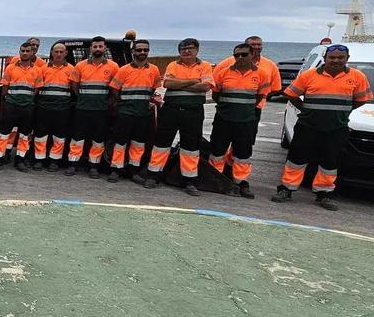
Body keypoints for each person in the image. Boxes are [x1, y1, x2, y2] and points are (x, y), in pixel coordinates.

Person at [272, 44, 372, 210]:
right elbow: (291, 94)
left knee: (330, 162)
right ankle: (286, 189)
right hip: (307, 126)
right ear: (325, 58)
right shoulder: (309, 75)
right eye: (332, 58)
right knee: (296, 159)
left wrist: (341, 112)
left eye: (340, 58)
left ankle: (324, 194)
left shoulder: (358, 76)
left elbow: (362, 99)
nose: (336, 61)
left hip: (336, 128)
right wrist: (306, 109)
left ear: (347, 59)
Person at [145, 38, 212, 195]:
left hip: (193, 111)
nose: (187, 51)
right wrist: (193, 81)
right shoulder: (173, 65)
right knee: (161, 143)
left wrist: (180, 82)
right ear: (179, 51)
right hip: (171, 110)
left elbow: (206, 86)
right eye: (183, 49)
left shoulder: (205, 66)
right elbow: (168, 84)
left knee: (191, 147)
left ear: (197, 50)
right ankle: (154, 175)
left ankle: (189, 180)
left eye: (190, 48)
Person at [208, 43, 268, 199]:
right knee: (217, 150)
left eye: (244, 54)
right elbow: (216, 95)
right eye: (237, 55)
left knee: (243, 153)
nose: (240, 58)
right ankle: (216, 178)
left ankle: (241, 181)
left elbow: (260, 96)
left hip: (246, 121)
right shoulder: (223, 73)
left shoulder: (261, 74)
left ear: (252, 55)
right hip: (224, 119)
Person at [105, 40, 161, 183]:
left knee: (138, 143)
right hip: (126, 112)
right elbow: (115, 89)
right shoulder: (124, 70)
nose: (142, 53)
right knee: (120, 142)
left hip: (143, 113)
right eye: (139, 50)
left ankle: (133, 170)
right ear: (133, 52)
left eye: (145, 50)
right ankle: (116, 169)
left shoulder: (154, 70)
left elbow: (154, 88)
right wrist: (125, 103)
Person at [66, 36, 120, 178]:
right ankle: (73, 164)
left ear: (104, 48)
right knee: (77, 138)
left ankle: (94, 166)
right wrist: (82, 97)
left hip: (101, 110)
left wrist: (108, 103)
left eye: (100, 46)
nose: (97, 49)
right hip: (82, 108)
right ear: (91, 48)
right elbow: (74, 85)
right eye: (95, 46)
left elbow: (115, 89)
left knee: (98, 139)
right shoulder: (80, 66)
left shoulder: (113, 67)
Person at [0, 42, 41, 171]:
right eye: (22, 51)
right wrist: (8, 101)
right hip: (11, 106)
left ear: (32, 53)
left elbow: (36, 89)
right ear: (19, 52)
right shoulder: (10, 68)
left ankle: (20, 160)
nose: (25, 53)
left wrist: (27, 100)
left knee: (25, 135)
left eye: (27, 51)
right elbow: (5, 88)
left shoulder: (37, 70)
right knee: (4, 134)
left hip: (27, 107)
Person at [32, 42, 74, 171]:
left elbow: (74, 89)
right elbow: (37, 89)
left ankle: (54, 161)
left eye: (61, 52)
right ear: (51, 53)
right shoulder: (42, 69)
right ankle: (39, 160)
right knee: (40, 135)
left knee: (59, 137)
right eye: (56, 51)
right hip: (44, 108)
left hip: (62, 109)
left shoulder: (72, 70)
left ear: (66, 53)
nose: (59, 54)